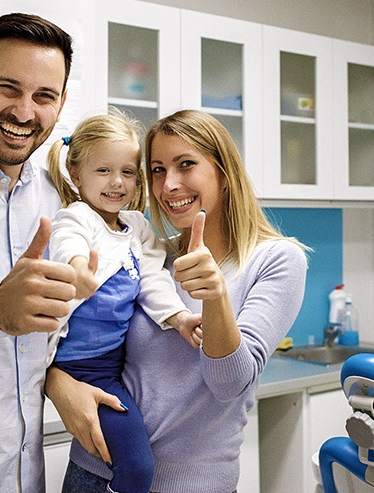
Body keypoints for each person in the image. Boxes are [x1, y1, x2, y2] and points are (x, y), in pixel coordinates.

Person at [45, 109, 309, 493]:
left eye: (186, 165)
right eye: (156, 169)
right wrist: (56, 382)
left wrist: (215, 296)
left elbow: (229, 384)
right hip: (91, 471)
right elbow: (88, 345)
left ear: (223, 170)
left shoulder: (277, 261)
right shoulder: (144, 252)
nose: (169, 184)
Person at [0, 13, 124, 493]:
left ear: (61, 103)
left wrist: (57, 380)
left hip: (27, 478)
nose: (25, 112)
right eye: (9, 88)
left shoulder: (62, 200)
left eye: (44, 96)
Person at [46, 110, 202, 493]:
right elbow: (69, 244)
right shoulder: (77, 216)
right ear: (75, 171)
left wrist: (180, 317)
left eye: (128, 172)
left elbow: (153, 278)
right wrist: (78, 270)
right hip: (78, 369)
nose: (117, 183)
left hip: (111, 369)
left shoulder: (137, 227)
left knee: (134, 464)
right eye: (103, 171)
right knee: (137, 467)